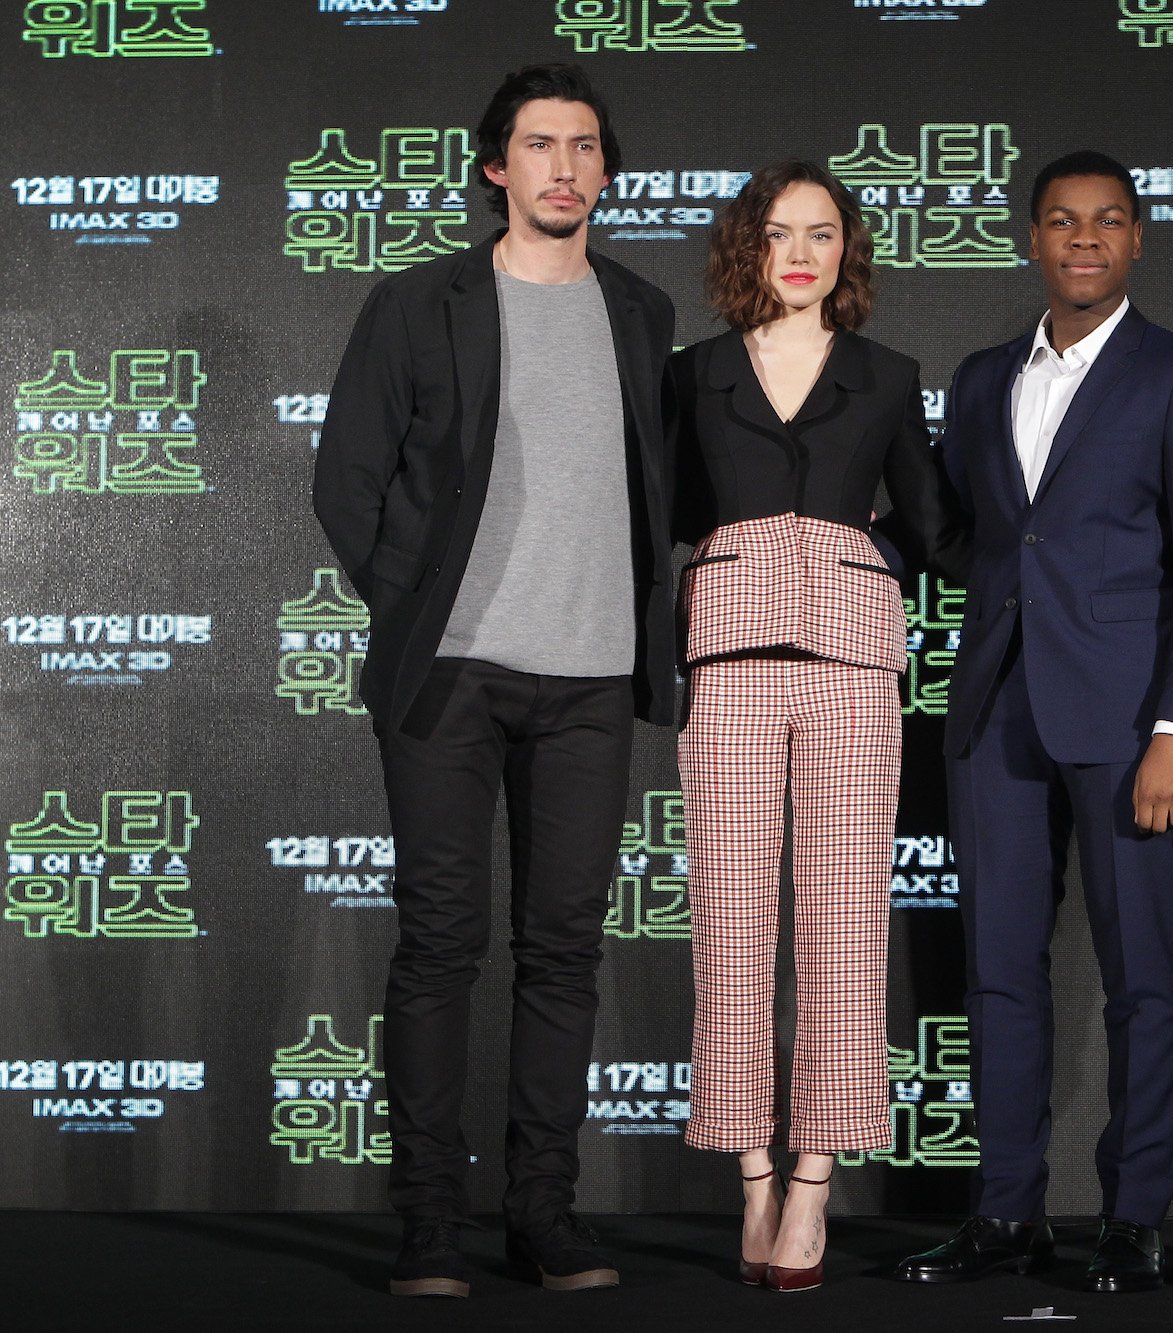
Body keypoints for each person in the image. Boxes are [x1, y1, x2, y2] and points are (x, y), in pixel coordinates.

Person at [312, 63, 677, 1299]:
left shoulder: (641, 308)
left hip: (590, 679)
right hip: (450, 680)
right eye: (538, 144)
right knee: (438, 946)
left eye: (582, 146)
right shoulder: (420, 304)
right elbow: (347, 480)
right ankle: (426, 1222)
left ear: (606, 173)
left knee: (563, 952)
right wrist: (419, 612)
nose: (563, 166)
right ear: (495, 168)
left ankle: (541, 1214)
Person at [891, 150, 1173, 1294]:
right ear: (1030, 240)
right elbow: (956, 534)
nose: (1081, 239)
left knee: (1141, 974)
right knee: (996, 973)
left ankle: (1133, 1214)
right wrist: (820, 514)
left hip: (1129, 720)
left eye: (1105, 222)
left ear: (1137, 240)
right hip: (995, 710)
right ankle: (1004, 1213)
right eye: (1059, 221)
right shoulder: (983, 374)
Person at [671, 159, 966, 1293]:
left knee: (843, 927)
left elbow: (934, 522)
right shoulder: (690, 374)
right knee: (729, 918)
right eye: (780, 230)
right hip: (729, 654)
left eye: (824, 232)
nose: (802, 251)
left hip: (852, 658)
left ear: (850, 252)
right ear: (745, 246)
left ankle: (812, 1178)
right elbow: (667, 511)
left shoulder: (887, 375)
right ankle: (749, 1170)